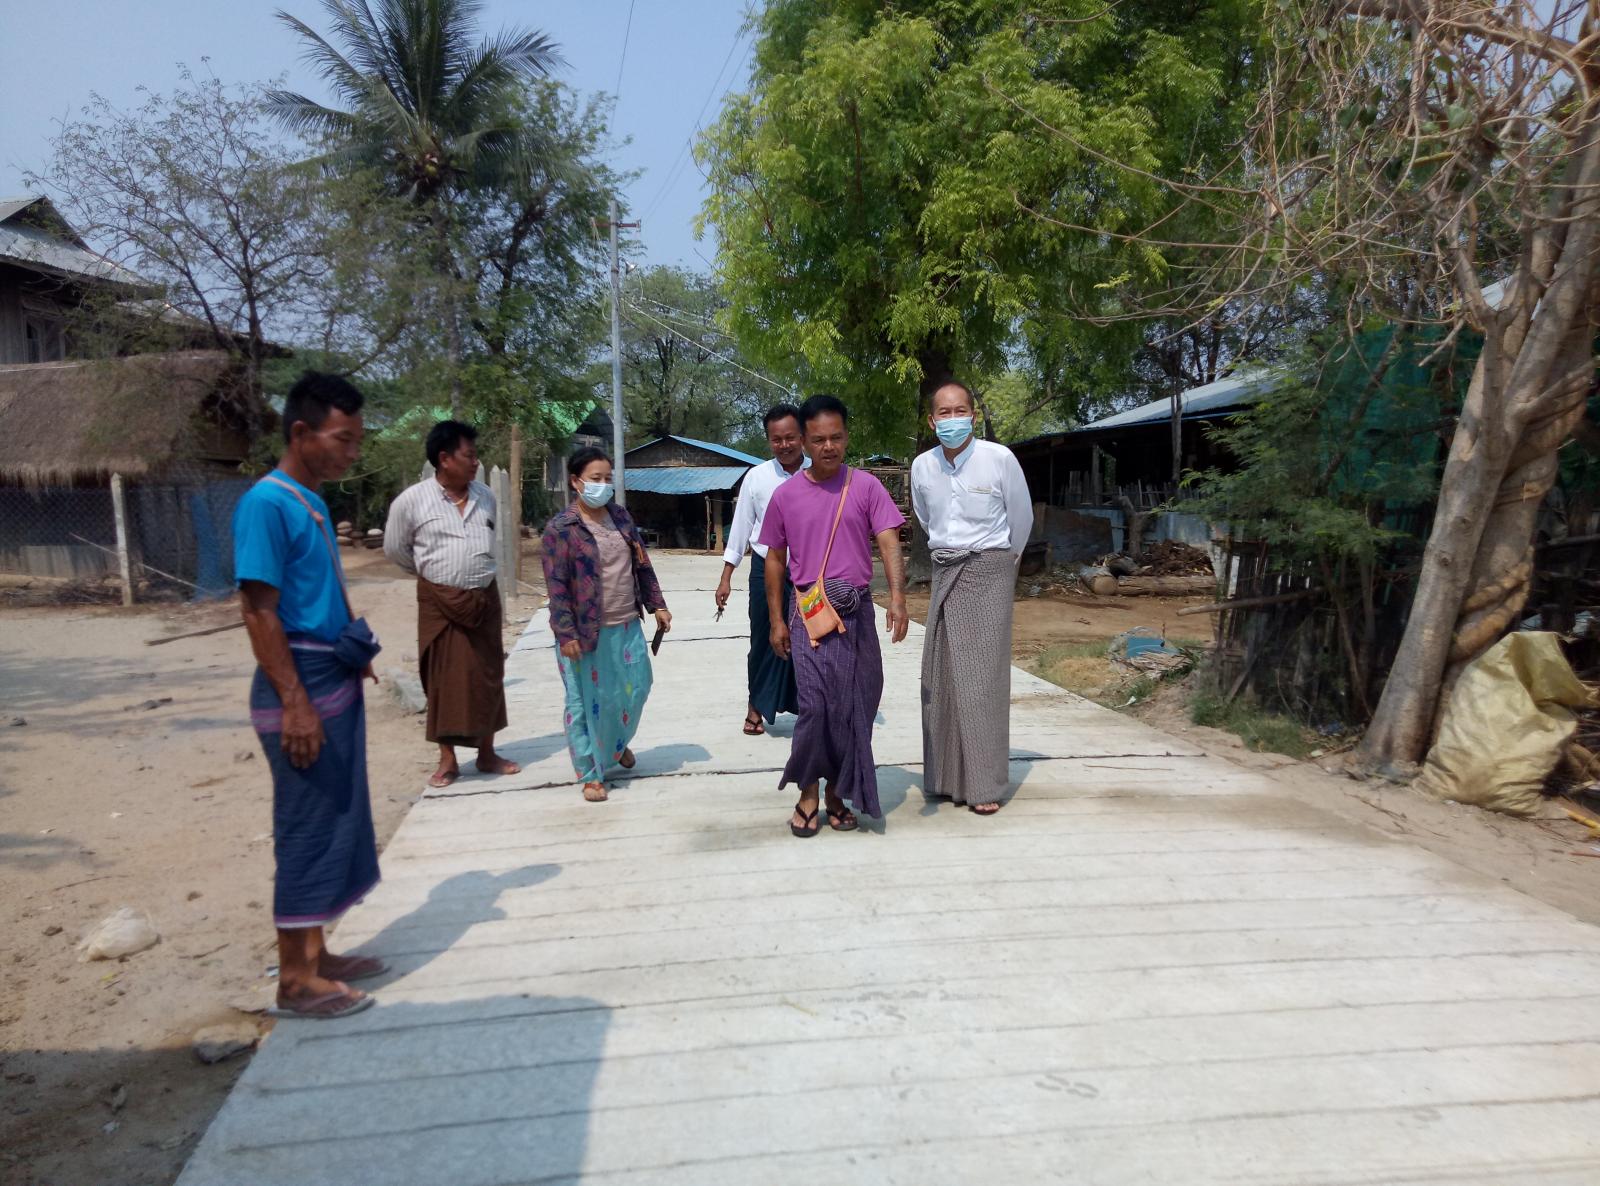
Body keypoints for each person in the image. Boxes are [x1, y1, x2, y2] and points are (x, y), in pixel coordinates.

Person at [233, 372, 385, 1020]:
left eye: (356, 440)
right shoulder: (267, 504)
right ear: (301, 432)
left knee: (336, 818)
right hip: (297, 684)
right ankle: (294, 980)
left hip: (329, 675)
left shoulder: (309, 502)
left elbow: (316, 596)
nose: (352, 452)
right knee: (307, 826)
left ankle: (316, 955)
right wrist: (295, 701)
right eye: (342, 439)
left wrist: (351, 650)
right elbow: (259, 610)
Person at [760, 394, 908, 836]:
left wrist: (898, 597)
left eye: (837, 438)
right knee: (814, 707)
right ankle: (808, 792)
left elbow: (889, 540)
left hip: (857, 614)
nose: (829, 447)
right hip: (809, 615)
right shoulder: (785, 495)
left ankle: (838, 794)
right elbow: (774, 559)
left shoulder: (866, 487)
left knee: (857, 705)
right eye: (819, 439)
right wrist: (776, 620)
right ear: (804, 442)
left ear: (847, 437)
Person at [911, 380, 1034, 815]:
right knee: (941, 677)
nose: (952, 419)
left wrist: (999, 566)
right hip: (946, 570)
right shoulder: (922, 467)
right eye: (943, 413)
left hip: (989, 572)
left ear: (973, 416)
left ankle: (984, 784)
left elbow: (1021, 520)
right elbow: (926, 519)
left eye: (959, 411)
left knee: (982, 681)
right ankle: (945, 778)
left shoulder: (999, 459)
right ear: (932, 421)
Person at [384, 420, 521, 789]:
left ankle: (487, 753)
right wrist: (434, 574)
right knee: (441, 678)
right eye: (469, 455)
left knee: (489, 674)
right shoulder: (412, 501)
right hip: (438, 600)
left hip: (484, 598)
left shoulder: (485, 496)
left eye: (476, 456)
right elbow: (395, 549)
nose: (475, 462)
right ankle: (447, 760)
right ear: (444, 459)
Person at [541, 448, 672, 802]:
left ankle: (614, 745)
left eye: (607, 478)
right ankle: (590, 773)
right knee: (583, 702)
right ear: (576, 482)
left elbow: (641, 563)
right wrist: (565, 632)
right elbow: (556, 586)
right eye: (595, 478)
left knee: (635, 688)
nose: (603, 484)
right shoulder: (561, 529)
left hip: (626, 622)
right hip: (584, 633)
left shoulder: (620, 517)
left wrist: (657, 605)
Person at [714, 403, 808, 735]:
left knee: (809, 640)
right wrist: (726, 576)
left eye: (790, 437)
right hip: (765, 569)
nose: (784, 445)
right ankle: (756, 705)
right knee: (764, 638)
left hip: (809, 571)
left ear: (802, 435)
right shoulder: (757, 477)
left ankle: (809, 708)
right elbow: (741, 528)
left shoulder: (818, 473)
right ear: (769, 440)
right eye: (776, 439)